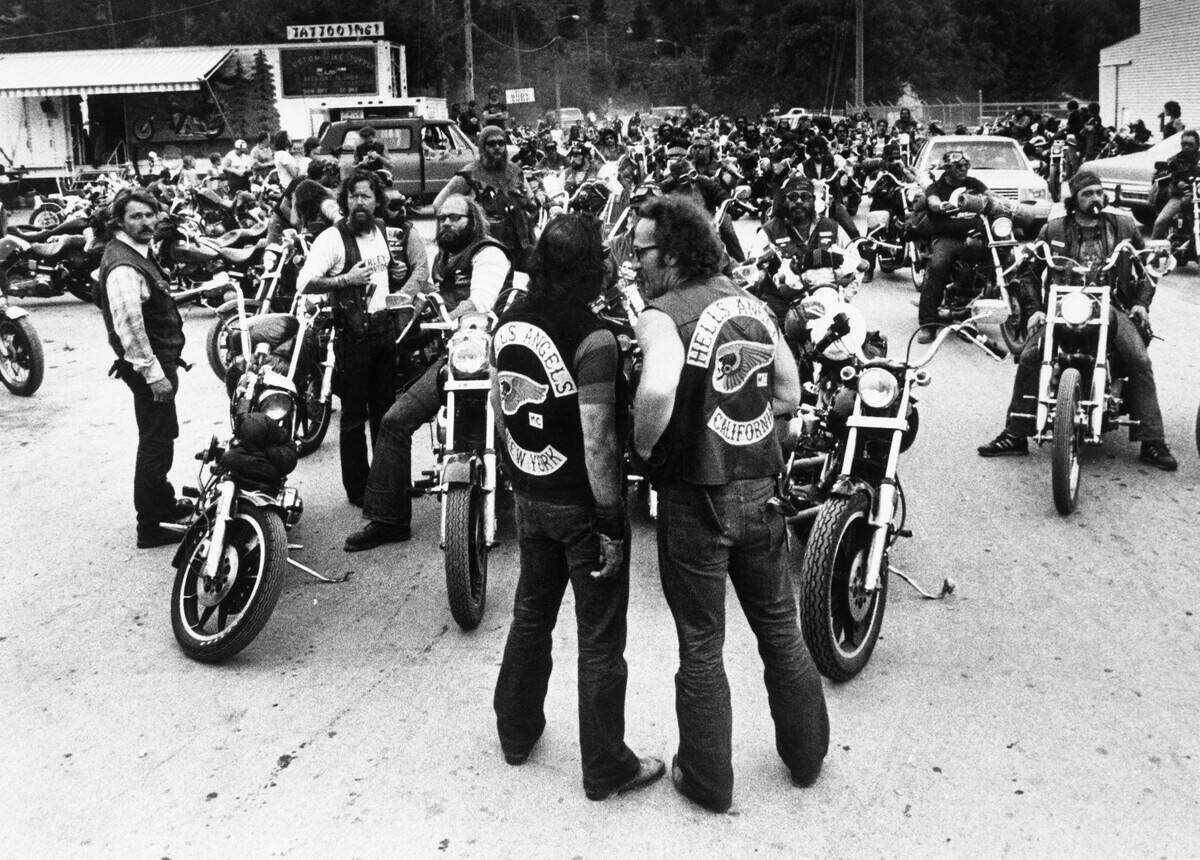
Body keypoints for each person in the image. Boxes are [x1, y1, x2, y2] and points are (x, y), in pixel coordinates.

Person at [629, 195, 829, 814]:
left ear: (674, 253)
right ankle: (806, 757)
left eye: (641, 251)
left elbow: (659, 386)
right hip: (761, 492)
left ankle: (709, 780)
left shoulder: (661, 315)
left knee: (701, 642)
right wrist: (743, 422)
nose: (633, 263)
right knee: (779, 630)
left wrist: (643, 446)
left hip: (695, 498)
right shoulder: (752, 306)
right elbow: (791, 392)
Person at [491, 212, 664, 801]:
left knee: (530, 617)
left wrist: (520, 478)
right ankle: (606, 766)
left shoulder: (507, 323)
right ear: (592, 267)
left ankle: (515, 734)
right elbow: (597, 440)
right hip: (579, 507)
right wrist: (612, 521)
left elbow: (500, 406)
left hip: (531, 494)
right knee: (599, 639)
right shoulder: (593, 339)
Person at [977, 171, 1177, 470]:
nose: (1095, 198)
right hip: (1061, 308)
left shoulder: (1123, 226)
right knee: (1031, 356)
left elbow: (1148, 266)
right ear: (1074, 199)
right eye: (1087, 194)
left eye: (1098, 192)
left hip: (1113, 306)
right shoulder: (1054, 229)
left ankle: (1152, 440)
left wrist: (1141, 304)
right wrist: (1034, 309)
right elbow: (1028, 272)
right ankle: (1016, 433)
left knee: (1138, 359)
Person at [343, 194, 511, 551]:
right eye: (441, 218)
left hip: (493, 357)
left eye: (455, 218)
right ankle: (388, 520)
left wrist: (453, 318)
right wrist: (409, 323)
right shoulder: (444, 258)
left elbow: (482, 300)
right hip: (456, 357)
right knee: (395, 419)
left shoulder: (489, 253)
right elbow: (431, 296)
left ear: (473, 220)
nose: (446, 223)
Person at [296, 171, 429, 509]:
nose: (359, 203)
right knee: (354, 418)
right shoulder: (331, 238)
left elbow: (387, 271)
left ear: (376, 201)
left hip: (386, 332)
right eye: (353, 197)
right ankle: (358, 490)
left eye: (366, 196)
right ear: (345, 201)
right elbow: (304, 283)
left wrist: (397, 275)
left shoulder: (384, 231)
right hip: (352, 336)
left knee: (386, 414)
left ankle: (386, 482)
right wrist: (345, 279)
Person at [95, 189, 191, 548]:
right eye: (136, 216)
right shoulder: (123, 265)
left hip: (156, 362)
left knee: (162, 434)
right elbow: (130, 329)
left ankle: (163, 502)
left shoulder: (136, 253)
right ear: (120, 221)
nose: (146, 222)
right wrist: (155, 376)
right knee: (155, 442)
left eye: (150, 215)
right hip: (149, 366)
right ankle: (149, 525)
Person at [749, 174, 859, 326]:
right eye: (793, 197)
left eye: (805, 196)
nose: (799, 201)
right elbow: (753, 272)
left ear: (813, 200)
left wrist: (845, 297)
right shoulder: (769, 231)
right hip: (783, 309)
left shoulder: (832, 227)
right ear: (784, 201)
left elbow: (856, 262)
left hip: (826, 303)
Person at [434, 125, 536, 269]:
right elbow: (439, 204)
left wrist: (535, 199)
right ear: (482, 146)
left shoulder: (514, 171)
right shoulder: (470, 173)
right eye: (491, 143)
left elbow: (531, 201)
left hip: (518, 242)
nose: (497, 147)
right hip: (484, 246)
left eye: (501, 143)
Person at [916, 150, 989, 343]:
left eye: (966, 166)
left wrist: (1007, 205)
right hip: (947, 237)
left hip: (974, 234)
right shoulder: (936, 187)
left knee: (998, 257)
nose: (964, 169)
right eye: (959, 166)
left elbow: (990, 195)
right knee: (938, 265)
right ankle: (928, 324)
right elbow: (932, 201)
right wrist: (939, 206)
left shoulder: (973, 183)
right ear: (948, 169)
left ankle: (975, 310)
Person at [1151, 129, 1199, 240]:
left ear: (1197, 145)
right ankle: (1152, 250)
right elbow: (1172, 179)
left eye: (1190, 144)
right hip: (1179, 197)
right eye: (1184, 144)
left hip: (1198, 197)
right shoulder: (1175, 161)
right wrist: (1178, 185)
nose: (1186, 147)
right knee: (1160, 221)